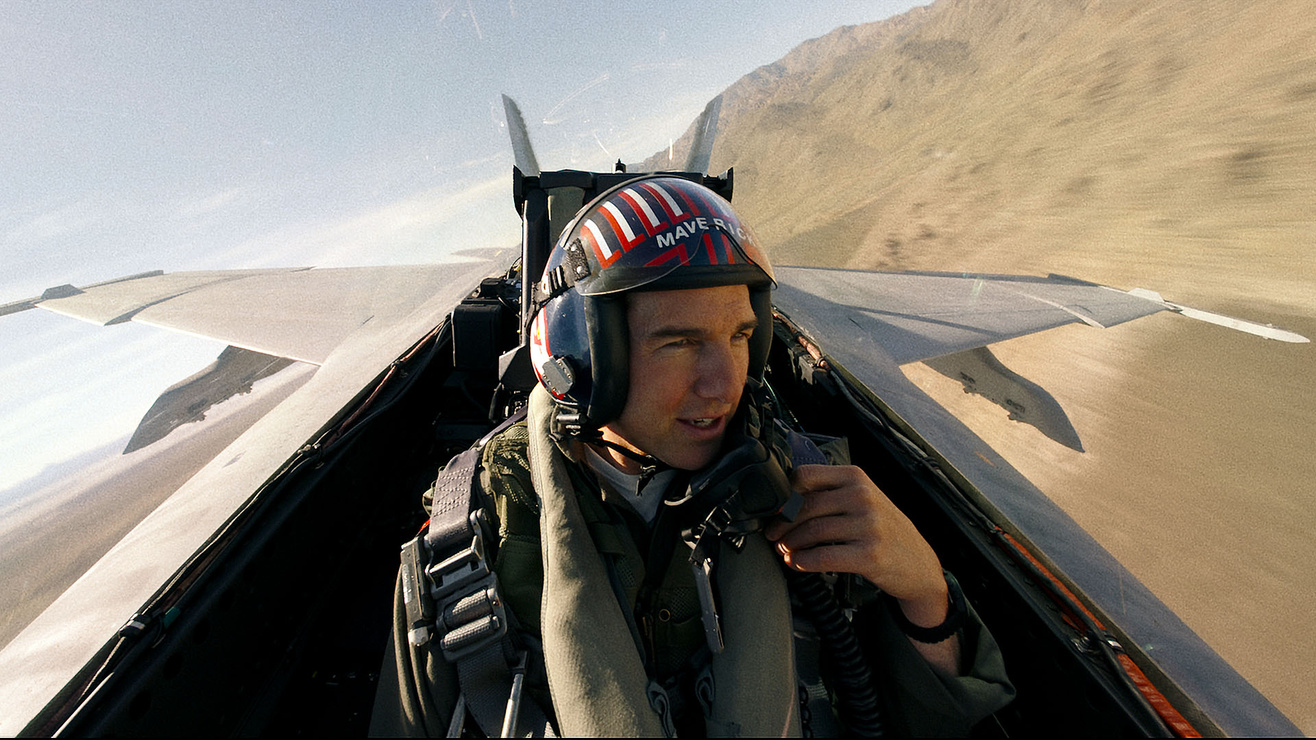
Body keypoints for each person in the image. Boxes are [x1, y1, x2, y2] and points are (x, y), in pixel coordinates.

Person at [372, 176, 1013, 737]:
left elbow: (923, 721)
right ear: (585, 357)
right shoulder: (473, 541)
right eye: (679, 343)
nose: (725, 384)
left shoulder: (812, 487)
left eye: (739, 336)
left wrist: (923, 590)